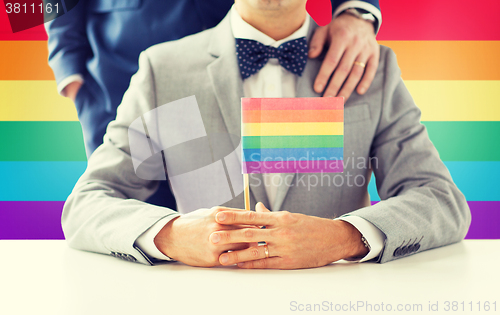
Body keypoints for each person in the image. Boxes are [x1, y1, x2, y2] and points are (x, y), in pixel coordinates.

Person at [62, 0, 470, 269]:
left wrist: (344, 237)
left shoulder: (371, 69)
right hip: (123, 82)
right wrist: (69, 69)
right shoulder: (160, 69)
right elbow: (89, 205)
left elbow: (440, 199)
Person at [46, 0, 382, 156]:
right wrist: (67, 67)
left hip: (254, 63)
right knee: (130, 226)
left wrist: (357, 9)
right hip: (118, 76)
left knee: (274, 217)